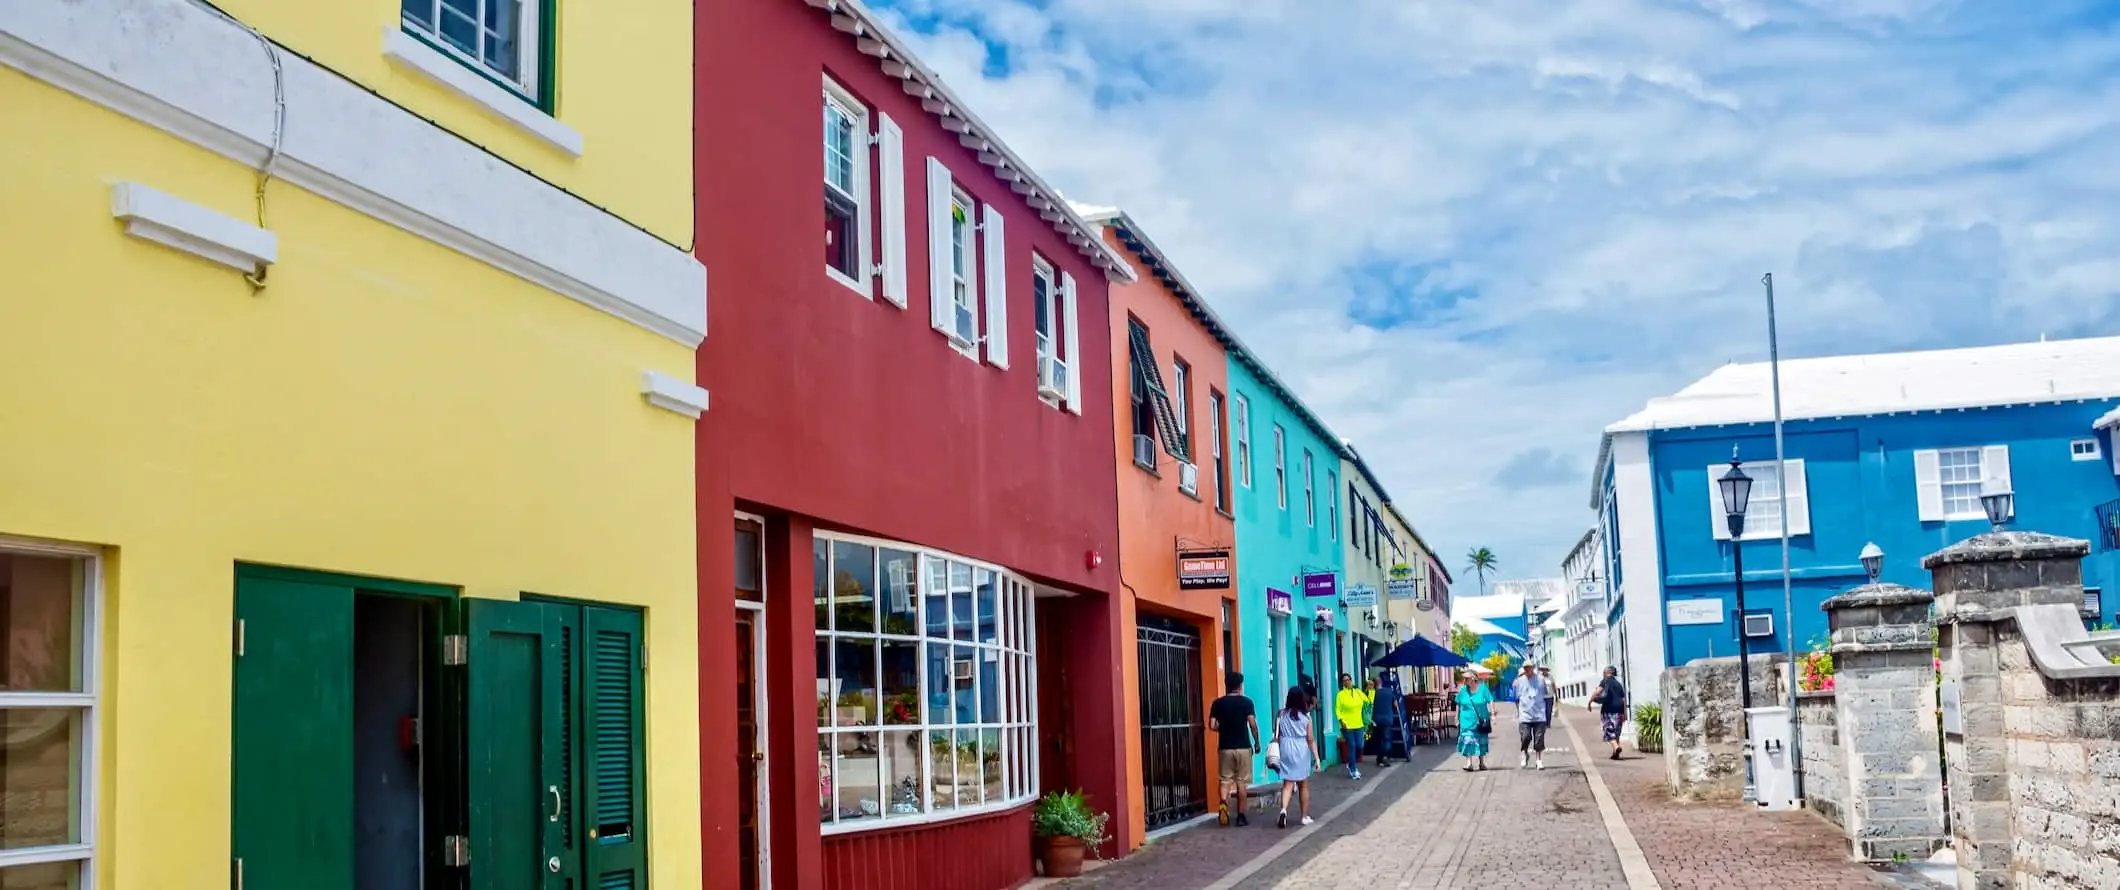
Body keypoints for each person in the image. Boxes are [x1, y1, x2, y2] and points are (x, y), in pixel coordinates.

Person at [1208, 671, 1260, 826]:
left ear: (1227, 686)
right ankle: (1241, 816)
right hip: (1243, 746)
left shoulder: (1218, 703)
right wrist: (1257, 742)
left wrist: (1223, 728)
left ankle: (1224, 802)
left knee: (1225, 780)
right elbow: (1252, 724)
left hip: (1225, 747)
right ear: (1239, 686)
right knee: (1241, 783)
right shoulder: (1247, 702)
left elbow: (1212, 725)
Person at [1271, 687, 1322, 828]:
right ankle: (1304, 816)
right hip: (1301, 749)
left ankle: (1283, 810)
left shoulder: (1281, 714)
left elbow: (1276, 733)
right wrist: (1316, 758)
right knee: (1303, 784)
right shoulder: (1306, 717)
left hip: (1285, 748)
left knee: (1287, 783)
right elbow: (1310, 739)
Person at [1453, 668, 1494, 771]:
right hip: (1466, 721)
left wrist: (1493, 714)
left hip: (1481, 721)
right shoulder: (1463, 690)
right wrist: (1456, 718)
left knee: (1481, 741)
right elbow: (1458, 703)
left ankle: (1481, 763)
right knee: (1468, 740)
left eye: (1466, 678)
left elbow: (1491, 700)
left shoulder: (1483, 688)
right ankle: (1469, 763)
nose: (1464, 681)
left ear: (1473, 679)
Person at [1512, 663, 1551, 769]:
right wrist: (1519, 712)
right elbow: (1516, 698)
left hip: (1539, 713)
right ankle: (1525, 754)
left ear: (1533, 668)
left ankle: (1538, 760)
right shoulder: (1519, 681)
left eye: (1529, 668)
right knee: (1525, 737)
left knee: (1539, 738)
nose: (1527, 670)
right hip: (1525, 714)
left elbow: (1546, 695)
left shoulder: (1540, 679)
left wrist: (1547, 713)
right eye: (1525, 668)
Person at [1333, 673, 1370, 779]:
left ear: (1351, 681)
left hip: (1359, 724)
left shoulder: (1358, 692)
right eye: (1344, 680)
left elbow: (1368, 701)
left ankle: (1351, 762)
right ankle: (1353, 770)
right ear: (1342, 683)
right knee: (1352, 745)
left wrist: (1370, 691)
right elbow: (1337, 709)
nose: (1347, 682)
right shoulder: (1340, 695)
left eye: (1348, 680)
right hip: (1347, 725)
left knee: (1360, 745)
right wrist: (1341, 720)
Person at [1590, 666, 1630, 760]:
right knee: (1616, 732)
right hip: (1619, 711)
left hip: (1608, 710)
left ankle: (1616, 747)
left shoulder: (1605, 681)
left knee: (1608, 730)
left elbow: (1597, 692)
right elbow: (1623, 699)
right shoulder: (1619, 684)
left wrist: (1590, 701)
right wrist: (1624, 713)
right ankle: (1615, 753)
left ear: (1606, 673)